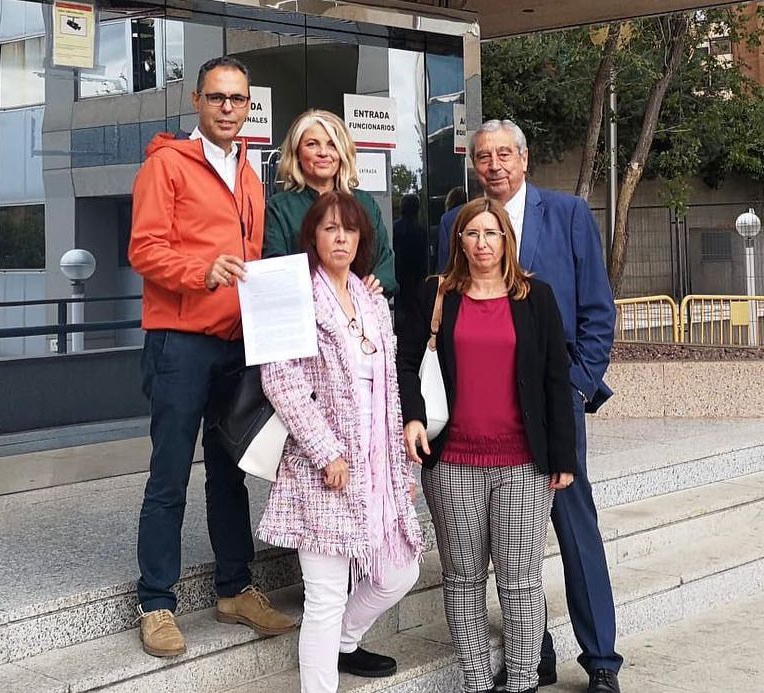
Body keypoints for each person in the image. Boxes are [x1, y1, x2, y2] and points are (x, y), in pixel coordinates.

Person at [436, 120, 620, 693]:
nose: (493, 165)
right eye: (483, 156)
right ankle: (533, 654)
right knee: (508, 541)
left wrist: (576, 387)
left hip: (553, 401)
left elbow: (597, 311)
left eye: (503, 154)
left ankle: (601, 661)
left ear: (524, 158)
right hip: (480, 412)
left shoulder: (566, 214)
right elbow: (439, 314)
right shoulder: (454, 223)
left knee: (572, 526)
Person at [128, 55, 295, 658]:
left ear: (249, 107)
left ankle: (233, 588)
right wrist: (201, 271)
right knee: (169, 473)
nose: (229, 108)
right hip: (180, 342)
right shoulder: (166, 166)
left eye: (239, 99)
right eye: (218, 97)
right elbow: (144, 250)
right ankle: (156, 601)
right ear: (197, 100)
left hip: (235, 344)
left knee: (230, 473)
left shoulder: (251, 173)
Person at [399, 197, 576, 693]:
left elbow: (554, 379)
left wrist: (563, 456)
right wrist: (412, 417)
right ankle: (477, 683)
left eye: (491, 233)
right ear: (458, 240)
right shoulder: (435, 294)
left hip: (524, 462)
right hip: (453, 463)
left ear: (506, 241)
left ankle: (521, 683)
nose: (481, 243)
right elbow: (405, 361)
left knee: (520, 580)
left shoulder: (535, 297)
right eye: (472, 233)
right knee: (462, 579)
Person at [259, 190, 423, 693]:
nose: (340, 238)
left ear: (361, 239)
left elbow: (391, 389)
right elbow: (279, 380)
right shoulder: (293, 293)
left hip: (376, 465)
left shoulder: (372, 298)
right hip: (321, 469)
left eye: (349, 230)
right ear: (312, 236)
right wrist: (326, 450)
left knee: (400, 572)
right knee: (325, 596)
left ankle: (344, 642)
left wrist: (398, 469)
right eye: (329, 228)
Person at [262, 109, 396, 296]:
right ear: (297, 153)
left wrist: (378, 281)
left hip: (361, 313)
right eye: (312, 144)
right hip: (305, 314)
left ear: (342, 153)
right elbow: (275, 269)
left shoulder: (364, 203)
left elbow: (385, 262)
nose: (323, 153)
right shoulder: (280, 207)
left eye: (333, 145)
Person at [392, 193, 428, 330]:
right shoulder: (421, 231)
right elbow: (424, 257)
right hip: (415, 277)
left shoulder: (394, 228)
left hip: (398, 273)